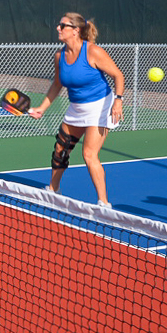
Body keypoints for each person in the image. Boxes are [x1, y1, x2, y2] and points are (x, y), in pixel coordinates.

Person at [28, 12, 126, 207]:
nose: (58, 28)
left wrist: (118, 101)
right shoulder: (59, 55)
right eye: (59, 25)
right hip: (76, 108)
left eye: (62, 25)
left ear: (76, 31)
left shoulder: (93, 52)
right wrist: (42, 108)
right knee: (61, 149)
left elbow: (118, 76)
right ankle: (53, 191)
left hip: (100, 106)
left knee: (89, 154)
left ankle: (104, 203)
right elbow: (57, 85)